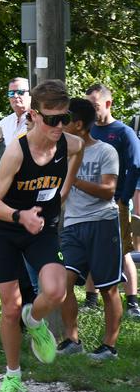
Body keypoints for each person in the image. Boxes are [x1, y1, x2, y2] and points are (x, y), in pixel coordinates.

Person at [0, 79, 83, 392]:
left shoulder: (71, 145)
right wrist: (19, 216)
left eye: (64, 118)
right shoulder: (17, 151)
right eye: (51, 119)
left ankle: (35, 318)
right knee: (10, 307)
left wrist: (60, 197)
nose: (59, 126)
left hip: (41, 226)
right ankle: (13, 377)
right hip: (6, 228)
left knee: (56, 290)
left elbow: (71, 169)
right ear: (35, 116)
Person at [58, 98, 124, 359]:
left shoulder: (105, 151)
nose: (59, 124)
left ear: (78, 124)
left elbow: (108, 191)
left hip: (102, 223)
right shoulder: (60, 152)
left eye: (64, 119)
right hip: (73, 223)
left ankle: (109, 346)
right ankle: (71, 340)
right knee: (64, 283)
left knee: (108, 288)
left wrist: (73, 178)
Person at [86, 84, 140, 318]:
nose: (91, 109)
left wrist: (123, 197)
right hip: (89, 202)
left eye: (94, 105)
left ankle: (132, 302)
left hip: (115, 202)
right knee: (90, 249)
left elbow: (136, 166)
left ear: (108, 104)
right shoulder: (87, 130)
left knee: (122, 252)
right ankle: (90, 300)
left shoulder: (123, 132)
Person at [0, 78, 30, 177]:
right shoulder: (4, 123)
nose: (15, 96)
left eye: (20, 92)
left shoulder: (38, 120)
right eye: (11, 93)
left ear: (30, 94)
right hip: (5, 183)